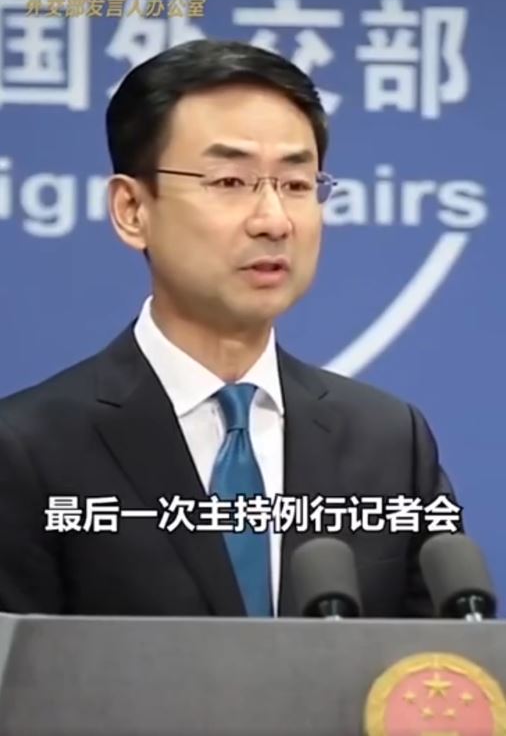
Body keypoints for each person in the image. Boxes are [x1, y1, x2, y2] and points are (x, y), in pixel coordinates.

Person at [0, 39, 461, 618]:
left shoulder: (390, 442)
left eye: (297, 185)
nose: (274, 221)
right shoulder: (27, 449)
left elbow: (438, 661)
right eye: (229, 182)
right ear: (132, 210)